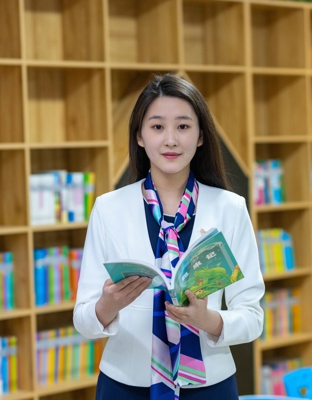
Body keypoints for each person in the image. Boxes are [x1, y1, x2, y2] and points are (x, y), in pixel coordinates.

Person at [73, 74, 264, 400]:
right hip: (125, 386)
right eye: (158, 126)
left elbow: (252, 317)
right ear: (140, 136)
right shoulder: (108, 209)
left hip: (209, 387)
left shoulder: (230, 209)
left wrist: (208, 320)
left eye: (183, 126)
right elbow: (83, 319)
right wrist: (107, 306)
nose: (171, 140)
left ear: (201, 136)